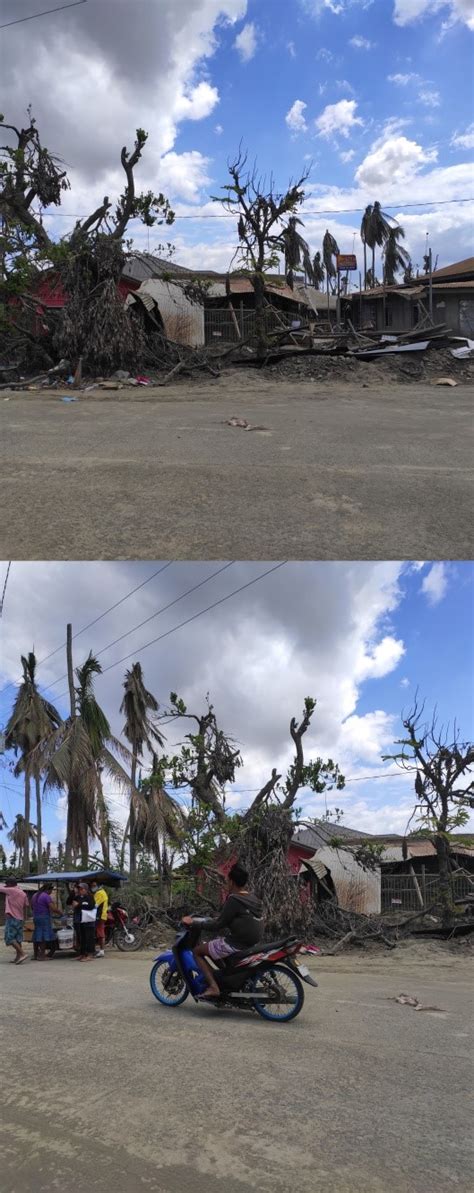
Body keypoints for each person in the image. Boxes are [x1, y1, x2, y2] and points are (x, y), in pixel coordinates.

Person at [182, 862, 263, 998]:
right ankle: (224, 978)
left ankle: (214, 987)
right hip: (251, 942)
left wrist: (194, 923)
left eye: (227, 881)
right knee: (214, 944)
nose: (226, 883)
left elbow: (218, 925)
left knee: (197, 951)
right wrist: (216, 919)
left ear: (231, 882)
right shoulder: (252, 897)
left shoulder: (234, 899)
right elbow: (233, 918)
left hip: (236, 943)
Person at [0, 877, 30, 964]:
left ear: (9, 885)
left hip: (12, 917)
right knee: (18, 938)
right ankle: (18, 957)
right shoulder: (22, 893)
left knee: (10, 938)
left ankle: (23, 954)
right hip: (20, 918)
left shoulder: (11, 890)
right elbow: (26, 905)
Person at [31, 883, 59, 959]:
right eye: (51, 890)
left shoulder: (34, 895)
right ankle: (42, 955)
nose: (51, 892)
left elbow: (32, 907)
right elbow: (53, 908)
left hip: (36, 917)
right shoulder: (46, 896)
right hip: (44, 918)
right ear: (48, 889)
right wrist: (60, 913)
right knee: (43, 936)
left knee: (37, 935)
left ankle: (36, 954)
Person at [72, 881, 97, 961]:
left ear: (86, 889)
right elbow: (72, 903)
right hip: (81, 920)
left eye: (82, 889)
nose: (80, 890)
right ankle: (82, 954)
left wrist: (79, 905)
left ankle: (90, 954)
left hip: (89, 921)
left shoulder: (90, 897)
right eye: (79, 889)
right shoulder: (78, 897)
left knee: (89, 938)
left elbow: (90, 906)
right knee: (82, 938)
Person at [89, 879, 108, 957]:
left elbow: (95, 904)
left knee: (100, 933)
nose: (93, 887)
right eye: (92, 886)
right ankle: (101, 950)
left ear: (99, 886)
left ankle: (101, 951)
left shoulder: (99, 893)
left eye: (94, 886)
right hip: (102, 915)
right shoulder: (102, 892)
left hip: (99, 916)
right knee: (100, 932)